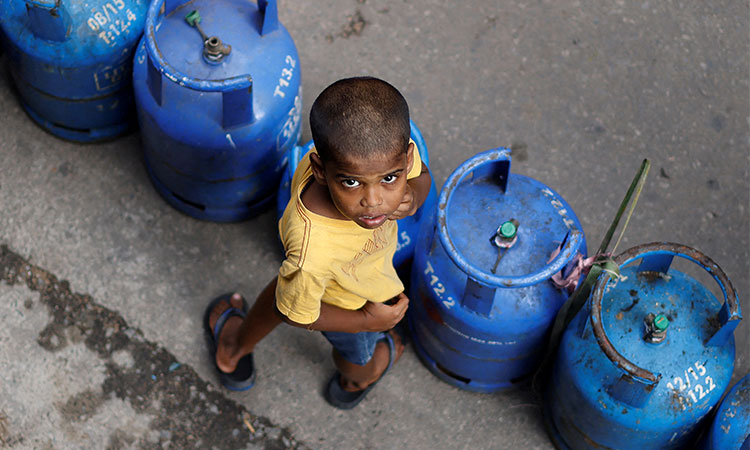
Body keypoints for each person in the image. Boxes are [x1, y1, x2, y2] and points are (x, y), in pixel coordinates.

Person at [203, 76, 432, 409]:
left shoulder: (367, 155)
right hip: (349, 306)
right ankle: (357, 380)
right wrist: (369, 322)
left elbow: (421, 175)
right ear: (320, 170)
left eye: (390, 179)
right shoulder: (313, 252)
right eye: (352, 183)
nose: (374, 200)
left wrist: (414, 195)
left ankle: (234, 346)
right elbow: (297, 314)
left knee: (291, 286)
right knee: (357, 353)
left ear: (406, 159)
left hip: (328, 277)